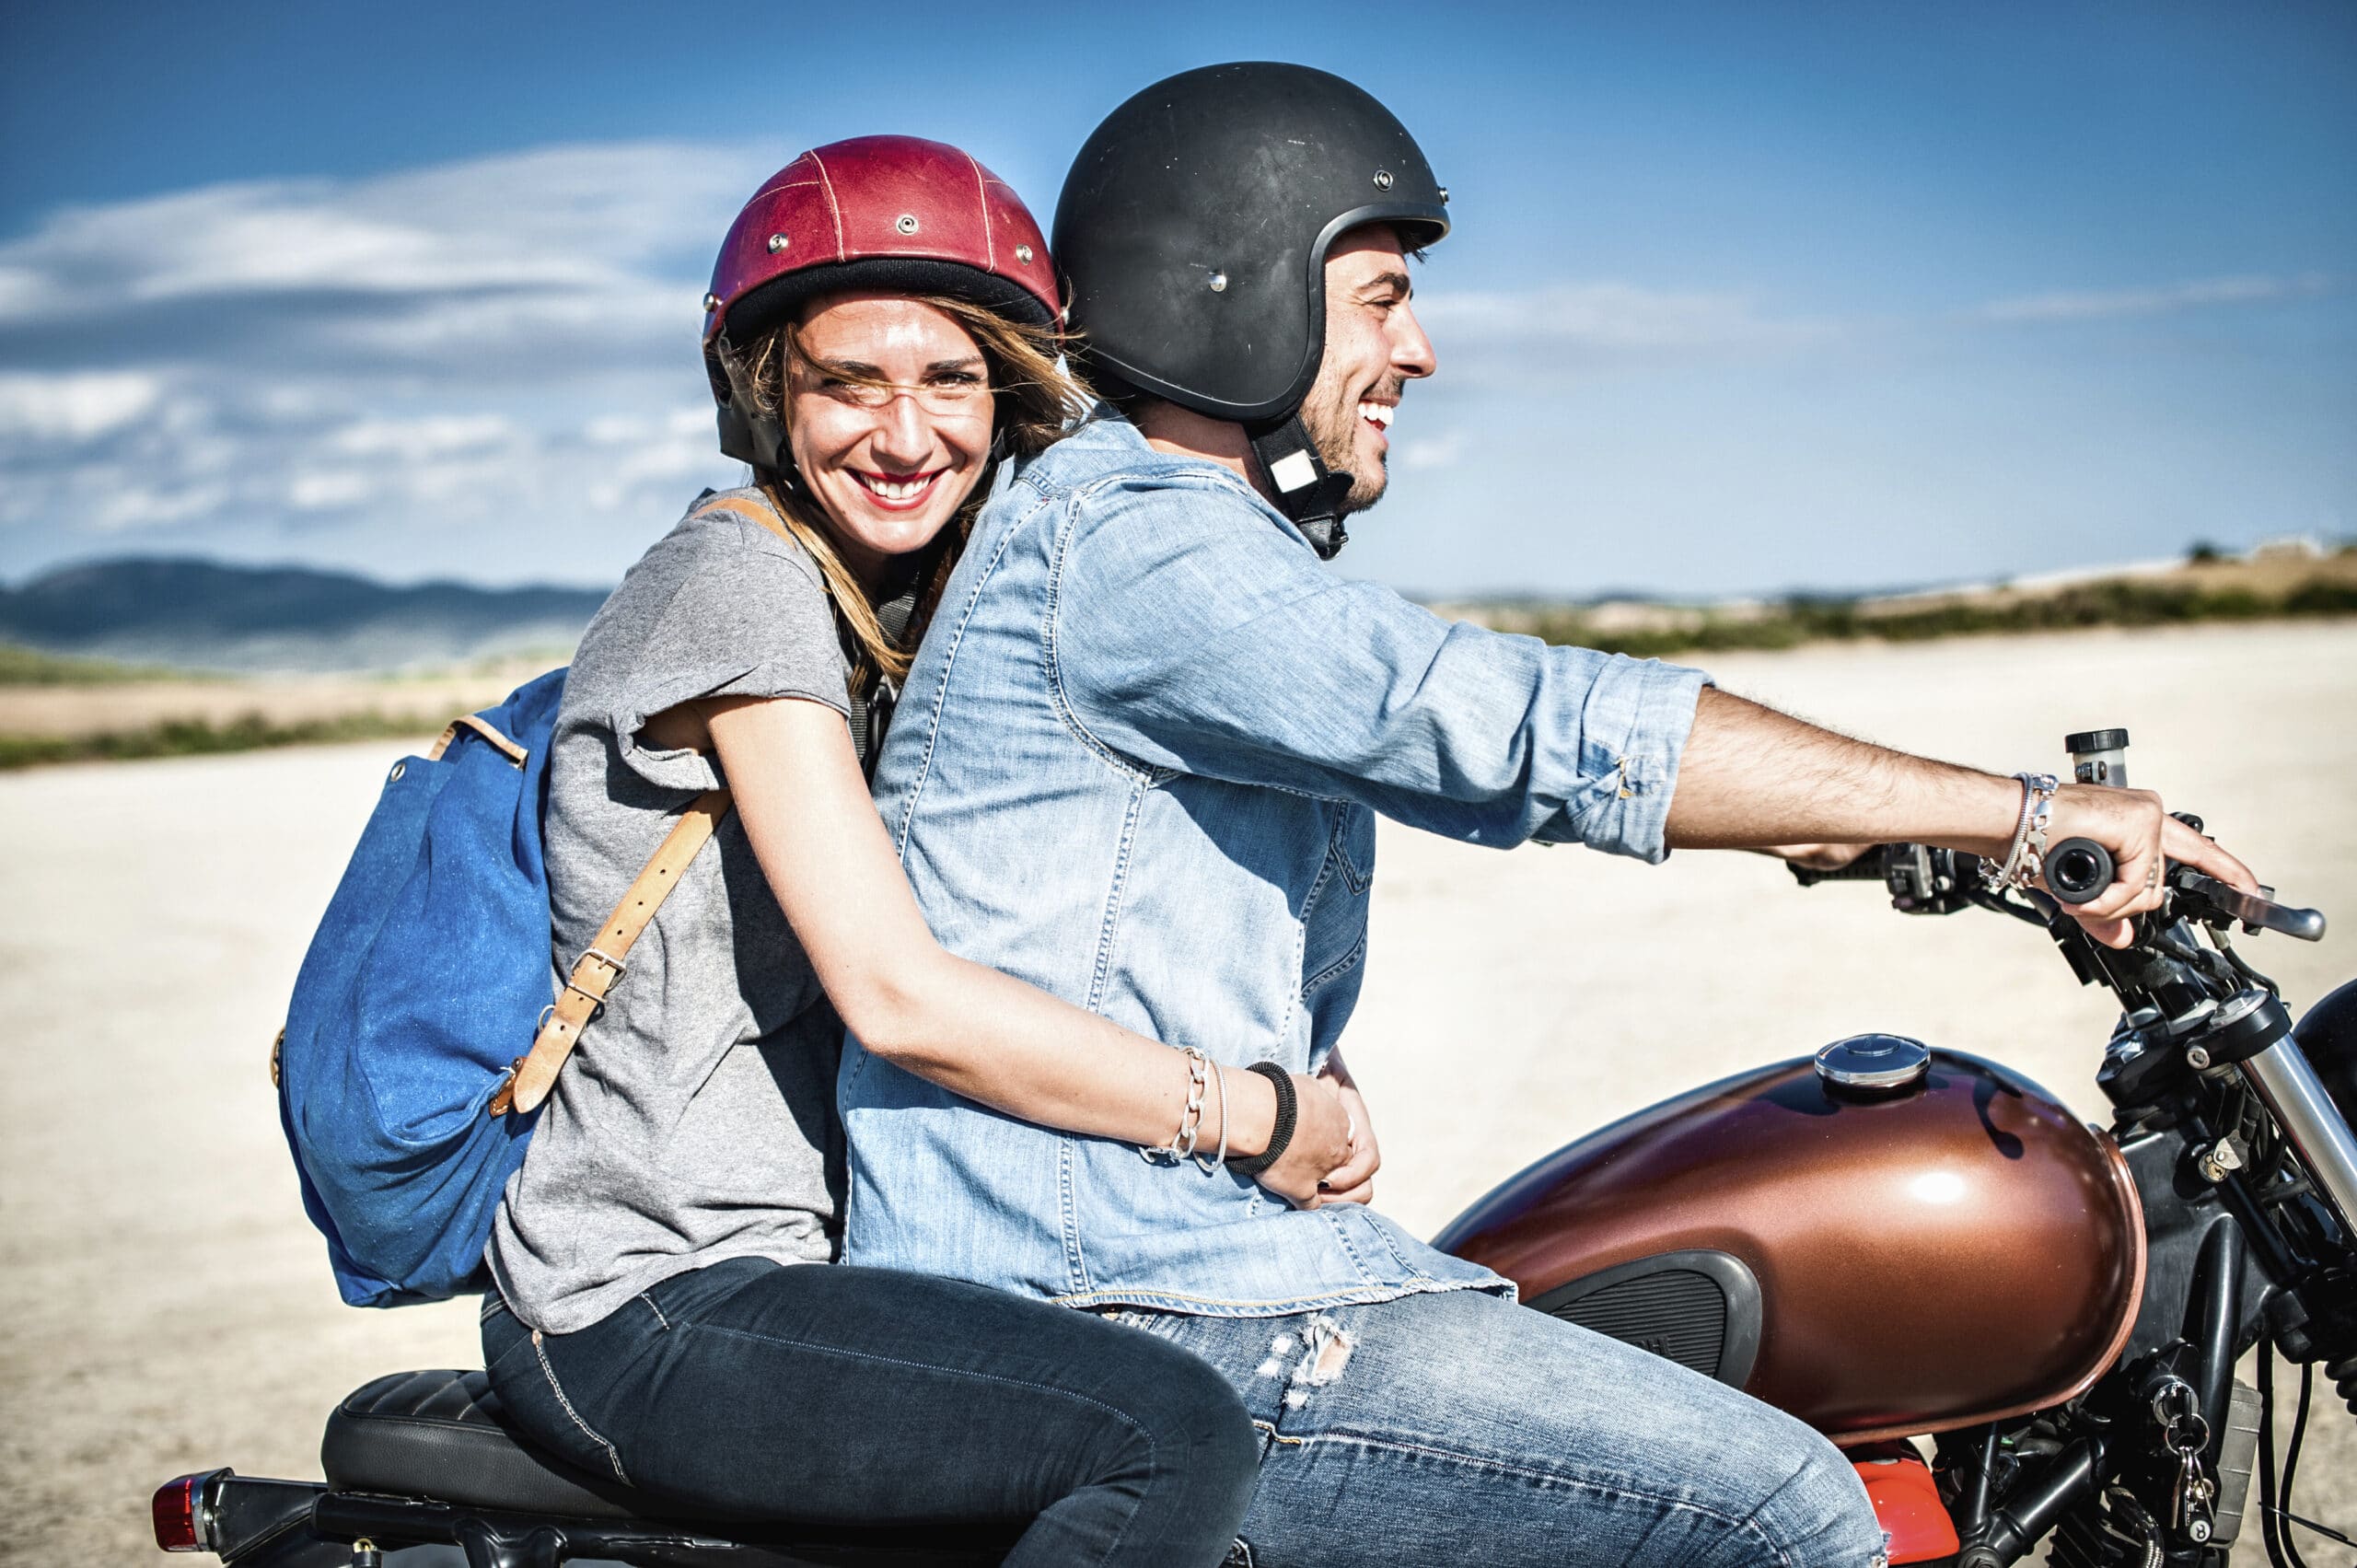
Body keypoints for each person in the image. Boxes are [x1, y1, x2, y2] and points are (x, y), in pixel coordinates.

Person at [839, 68, 2265, 1567]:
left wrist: (1854, 820)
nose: (1419, 351)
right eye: (1382, 299)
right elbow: (1514, 724)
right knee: (1784, 1509)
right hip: (1130, 1313)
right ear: (1231, 290)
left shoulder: (1152, 539)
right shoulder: (1136, 545)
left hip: (1181, 1274)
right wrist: (2023, 817)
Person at [479, 134, 1374, 1567]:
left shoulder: (915, 607)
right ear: (767, 397)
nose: (904, 437)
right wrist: (1250, 1116)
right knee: (1166, 1436)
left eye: (950, 380)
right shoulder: (741, 586)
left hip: (810, 1262)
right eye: (849, 383)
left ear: (1005, 391)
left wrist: (1293, 1052)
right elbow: (897, 996)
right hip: (653, 1295)